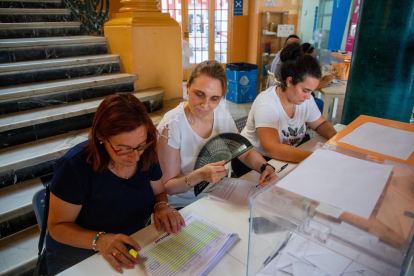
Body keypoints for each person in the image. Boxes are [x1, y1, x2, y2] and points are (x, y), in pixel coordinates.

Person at [46, 93, 185, 275]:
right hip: (78, 258)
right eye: (124, 149)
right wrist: (100, 240)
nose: (135, 157)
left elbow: (159, 193)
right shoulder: (75, 167)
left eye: (140, 145)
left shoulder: (146, 153)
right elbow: (57, 227)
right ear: (101, 137)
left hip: (132, 246)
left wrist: (162, 206)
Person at [157, 60, 278, 209]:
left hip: (218, 194)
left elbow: (243, 153)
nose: (205, 105)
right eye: (199, 94)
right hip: (184, 205)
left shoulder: (222, 115)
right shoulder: (172, 125)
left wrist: (264, 166)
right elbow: (167, 186)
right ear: (187, 86)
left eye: (214, 99)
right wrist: (199, 176)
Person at [237, 43, 337, 170]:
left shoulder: (306, 99)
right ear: (289, 81)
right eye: (305, 90)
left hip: (283, 155)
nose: (309, 96)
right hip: (256, 161)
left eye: (311, 91)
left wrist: (336, 141)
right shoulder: (267, 104)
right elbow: (272, 149)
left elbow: (320, 124)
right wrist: (314, 158)